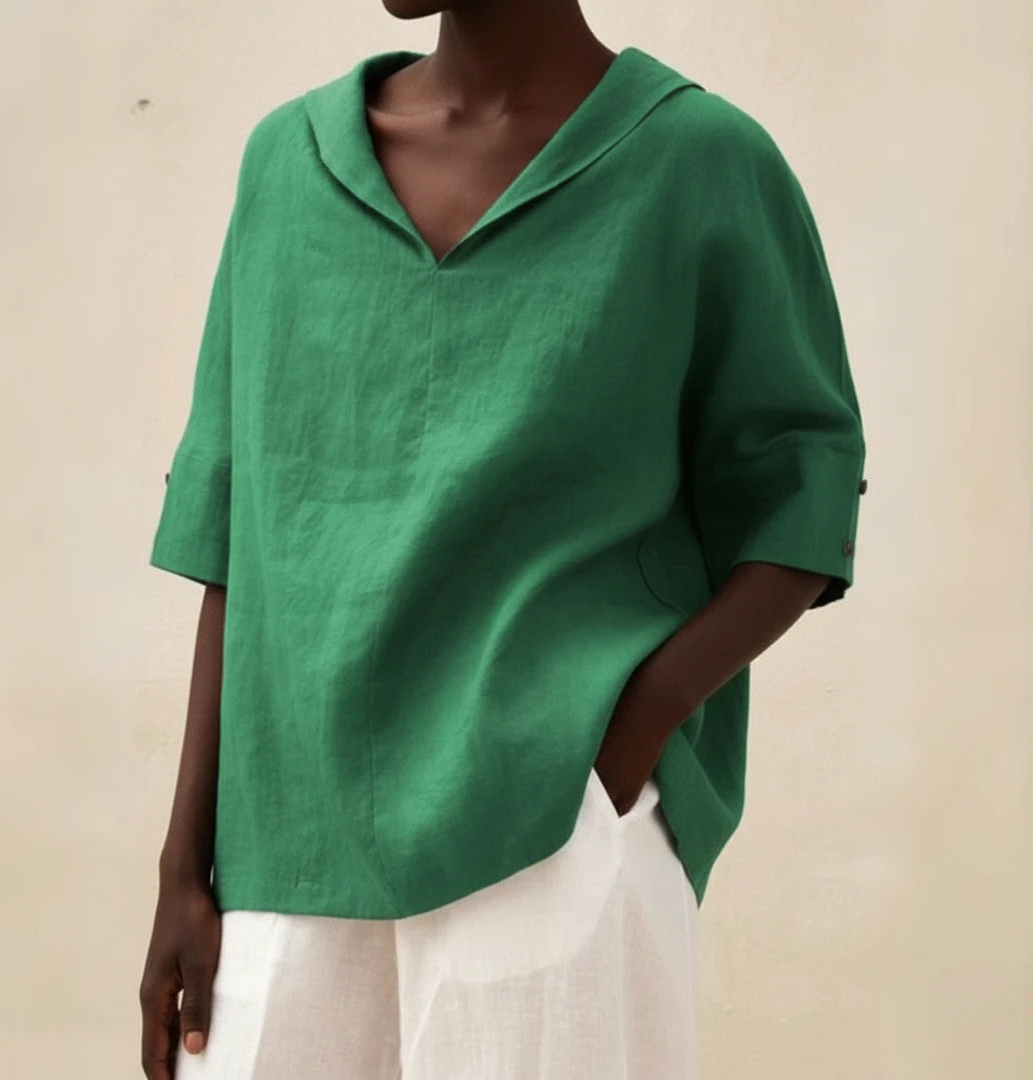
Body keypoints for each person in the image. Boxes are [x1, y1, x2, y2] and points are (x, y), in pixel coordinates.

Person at [139, 2, 868, 1078]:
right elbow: (239, 529)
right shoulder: (288, 166)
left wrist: (628, 734)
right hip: (284, 841)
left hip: (554, 827)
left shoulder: (699, 161)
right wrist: (182, 867)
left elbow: (802, 489)